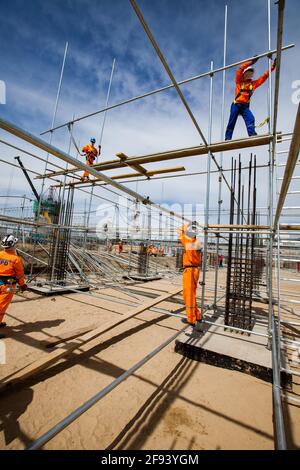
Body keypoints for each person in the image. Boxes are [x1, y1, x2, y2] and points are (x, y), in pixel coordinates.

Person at [225, 56, 276, 141]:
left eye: (251, 72)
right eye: (248, 71)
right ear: (244, 74)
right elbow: (240, 69)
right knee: (232, 121)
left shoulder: (253, 84)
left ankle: (251, 133)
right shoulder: (239, 81)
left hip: (245, 107)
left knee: (251, 118)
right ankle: (227, 138)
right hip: (236, 104)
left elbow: (265, 76)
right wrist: (251, 62)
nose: (249, 73)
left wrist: (273, 66)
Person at [178, 223, 203, 328]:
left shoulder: (189, 242)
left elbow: (179, 230)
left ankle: (191, 319)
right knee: (191, 294)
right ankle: (197, 315)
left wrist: (186, 224)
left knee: (188, 295)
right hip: (194, 270)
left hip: (190, 270)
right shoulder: (197, 242)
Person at [0, 235, 27, 328]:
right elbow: (19, 275)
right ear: (13, 245)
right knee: (2, 306)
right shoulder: (16, 259)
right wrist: (23, 285)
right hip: (8, 286)